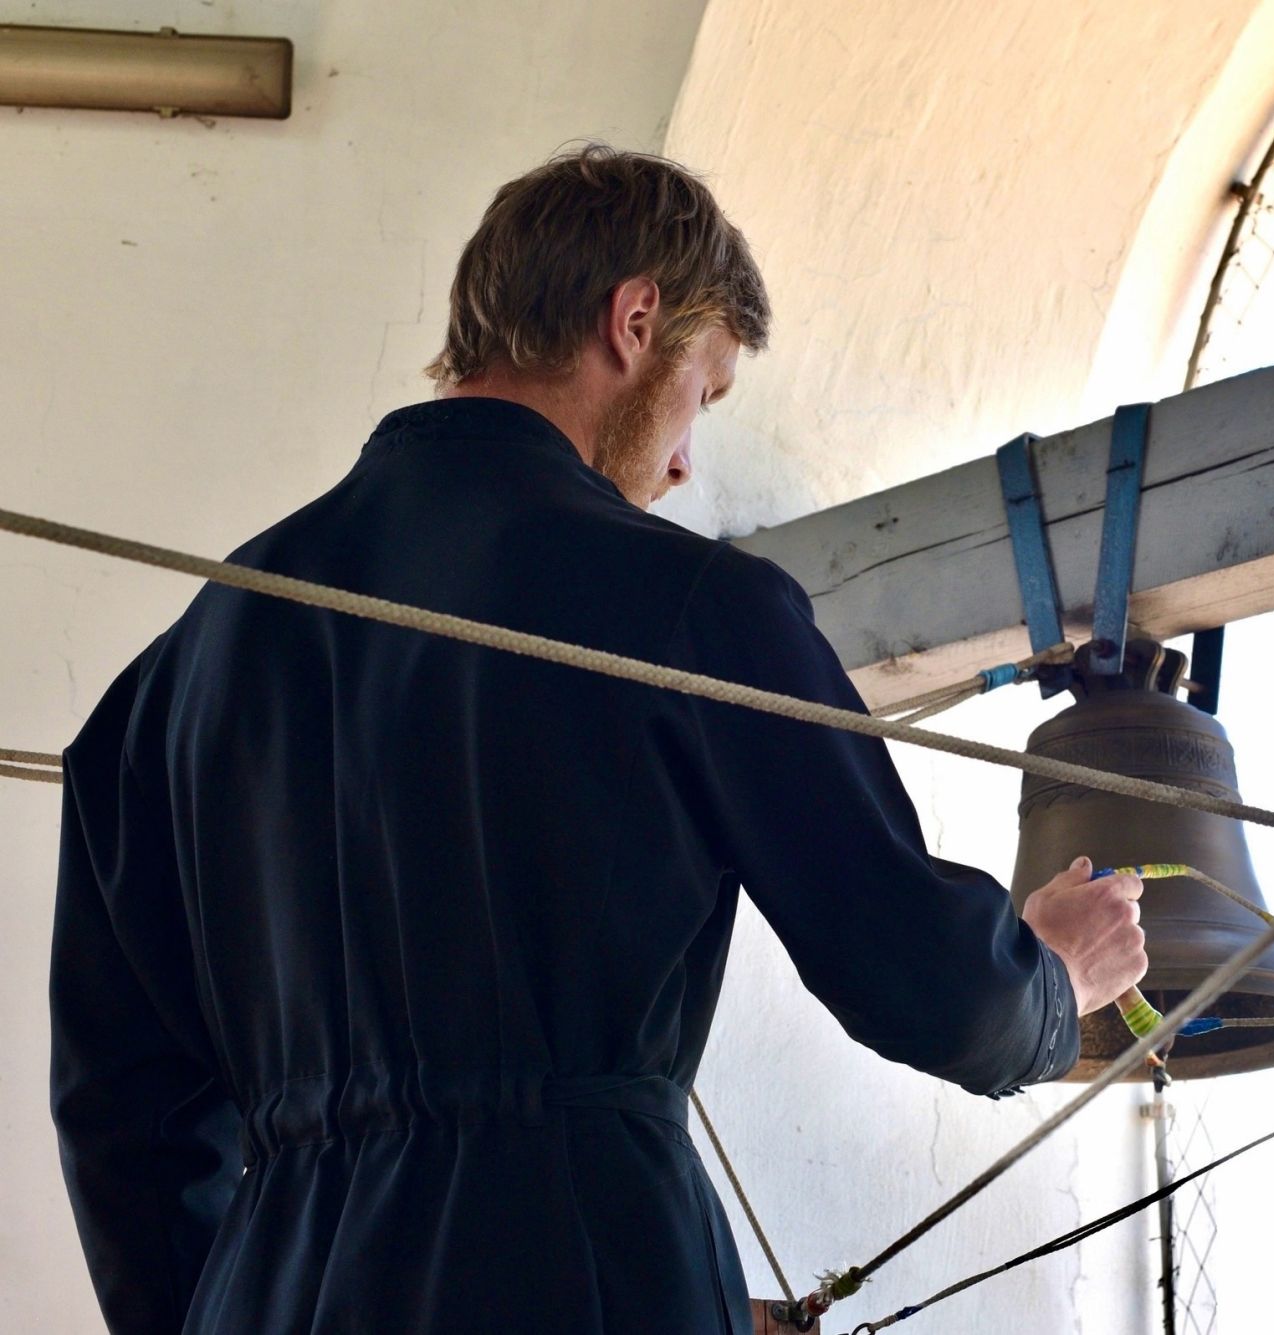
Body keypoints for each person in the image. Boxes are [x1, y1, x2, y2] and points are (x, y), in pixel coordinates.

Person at [49, 145, 1148, 1335]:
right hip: (574, 1270)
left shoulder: (167, 680)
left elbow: (124, 1119)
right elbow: (920, 980)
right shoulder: (689, 604)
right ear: (635, 321)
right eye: (705, 393)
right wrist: (1050, 983)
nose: (683, 462)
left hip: (270, 1291)